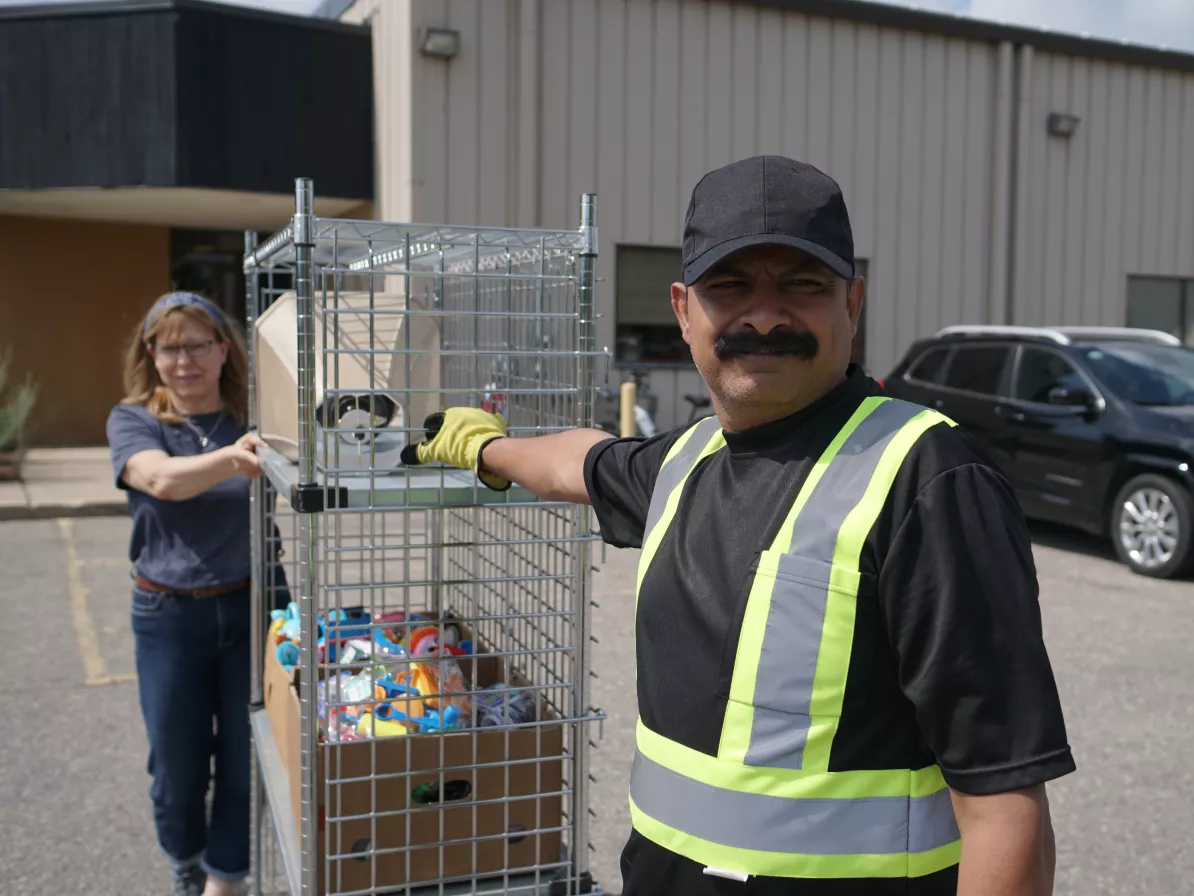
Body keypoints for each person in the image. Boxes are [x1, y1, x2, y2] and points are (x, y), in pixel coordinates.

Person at [400, 155, 1076, 895]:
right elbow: (580, 462)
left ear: (853, 302)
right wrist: (485, 445)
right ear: (684, 310)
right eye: (730, 288)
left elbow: (1004, 807)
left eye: (801, 285)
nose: (764, 315)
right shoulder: (686, 463)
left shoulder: (928, 481)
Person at [107, 291, 272, 896]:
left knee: (240, 759)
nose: (186, 360)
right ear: (151, 354)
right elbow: (158, 479)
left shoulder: (255, 419)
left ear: (224, 350)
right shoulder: (135, 421)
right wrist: (234, 459)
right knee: (176, 770)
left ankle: (223, 879)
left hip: (250, 607)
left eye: (199, 344)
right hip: (168, 614)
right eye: (171, 347)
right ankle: (186, 857)